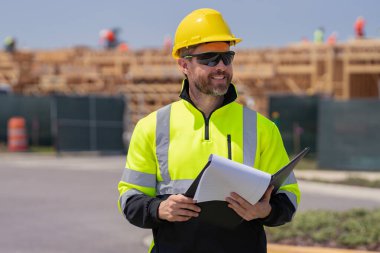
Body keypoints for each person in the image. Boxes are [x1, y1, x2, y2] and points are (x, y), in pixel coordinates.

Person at [118, 8, 300, 253]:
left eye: (227, 57)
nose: (221, 66)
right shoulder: (152, 127)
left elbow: (288, 197)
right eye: (209, 58)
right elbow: (130, 199)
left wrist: (265, 210)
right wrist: (159, 209)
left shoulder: (261, 128)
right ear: (184, 65)